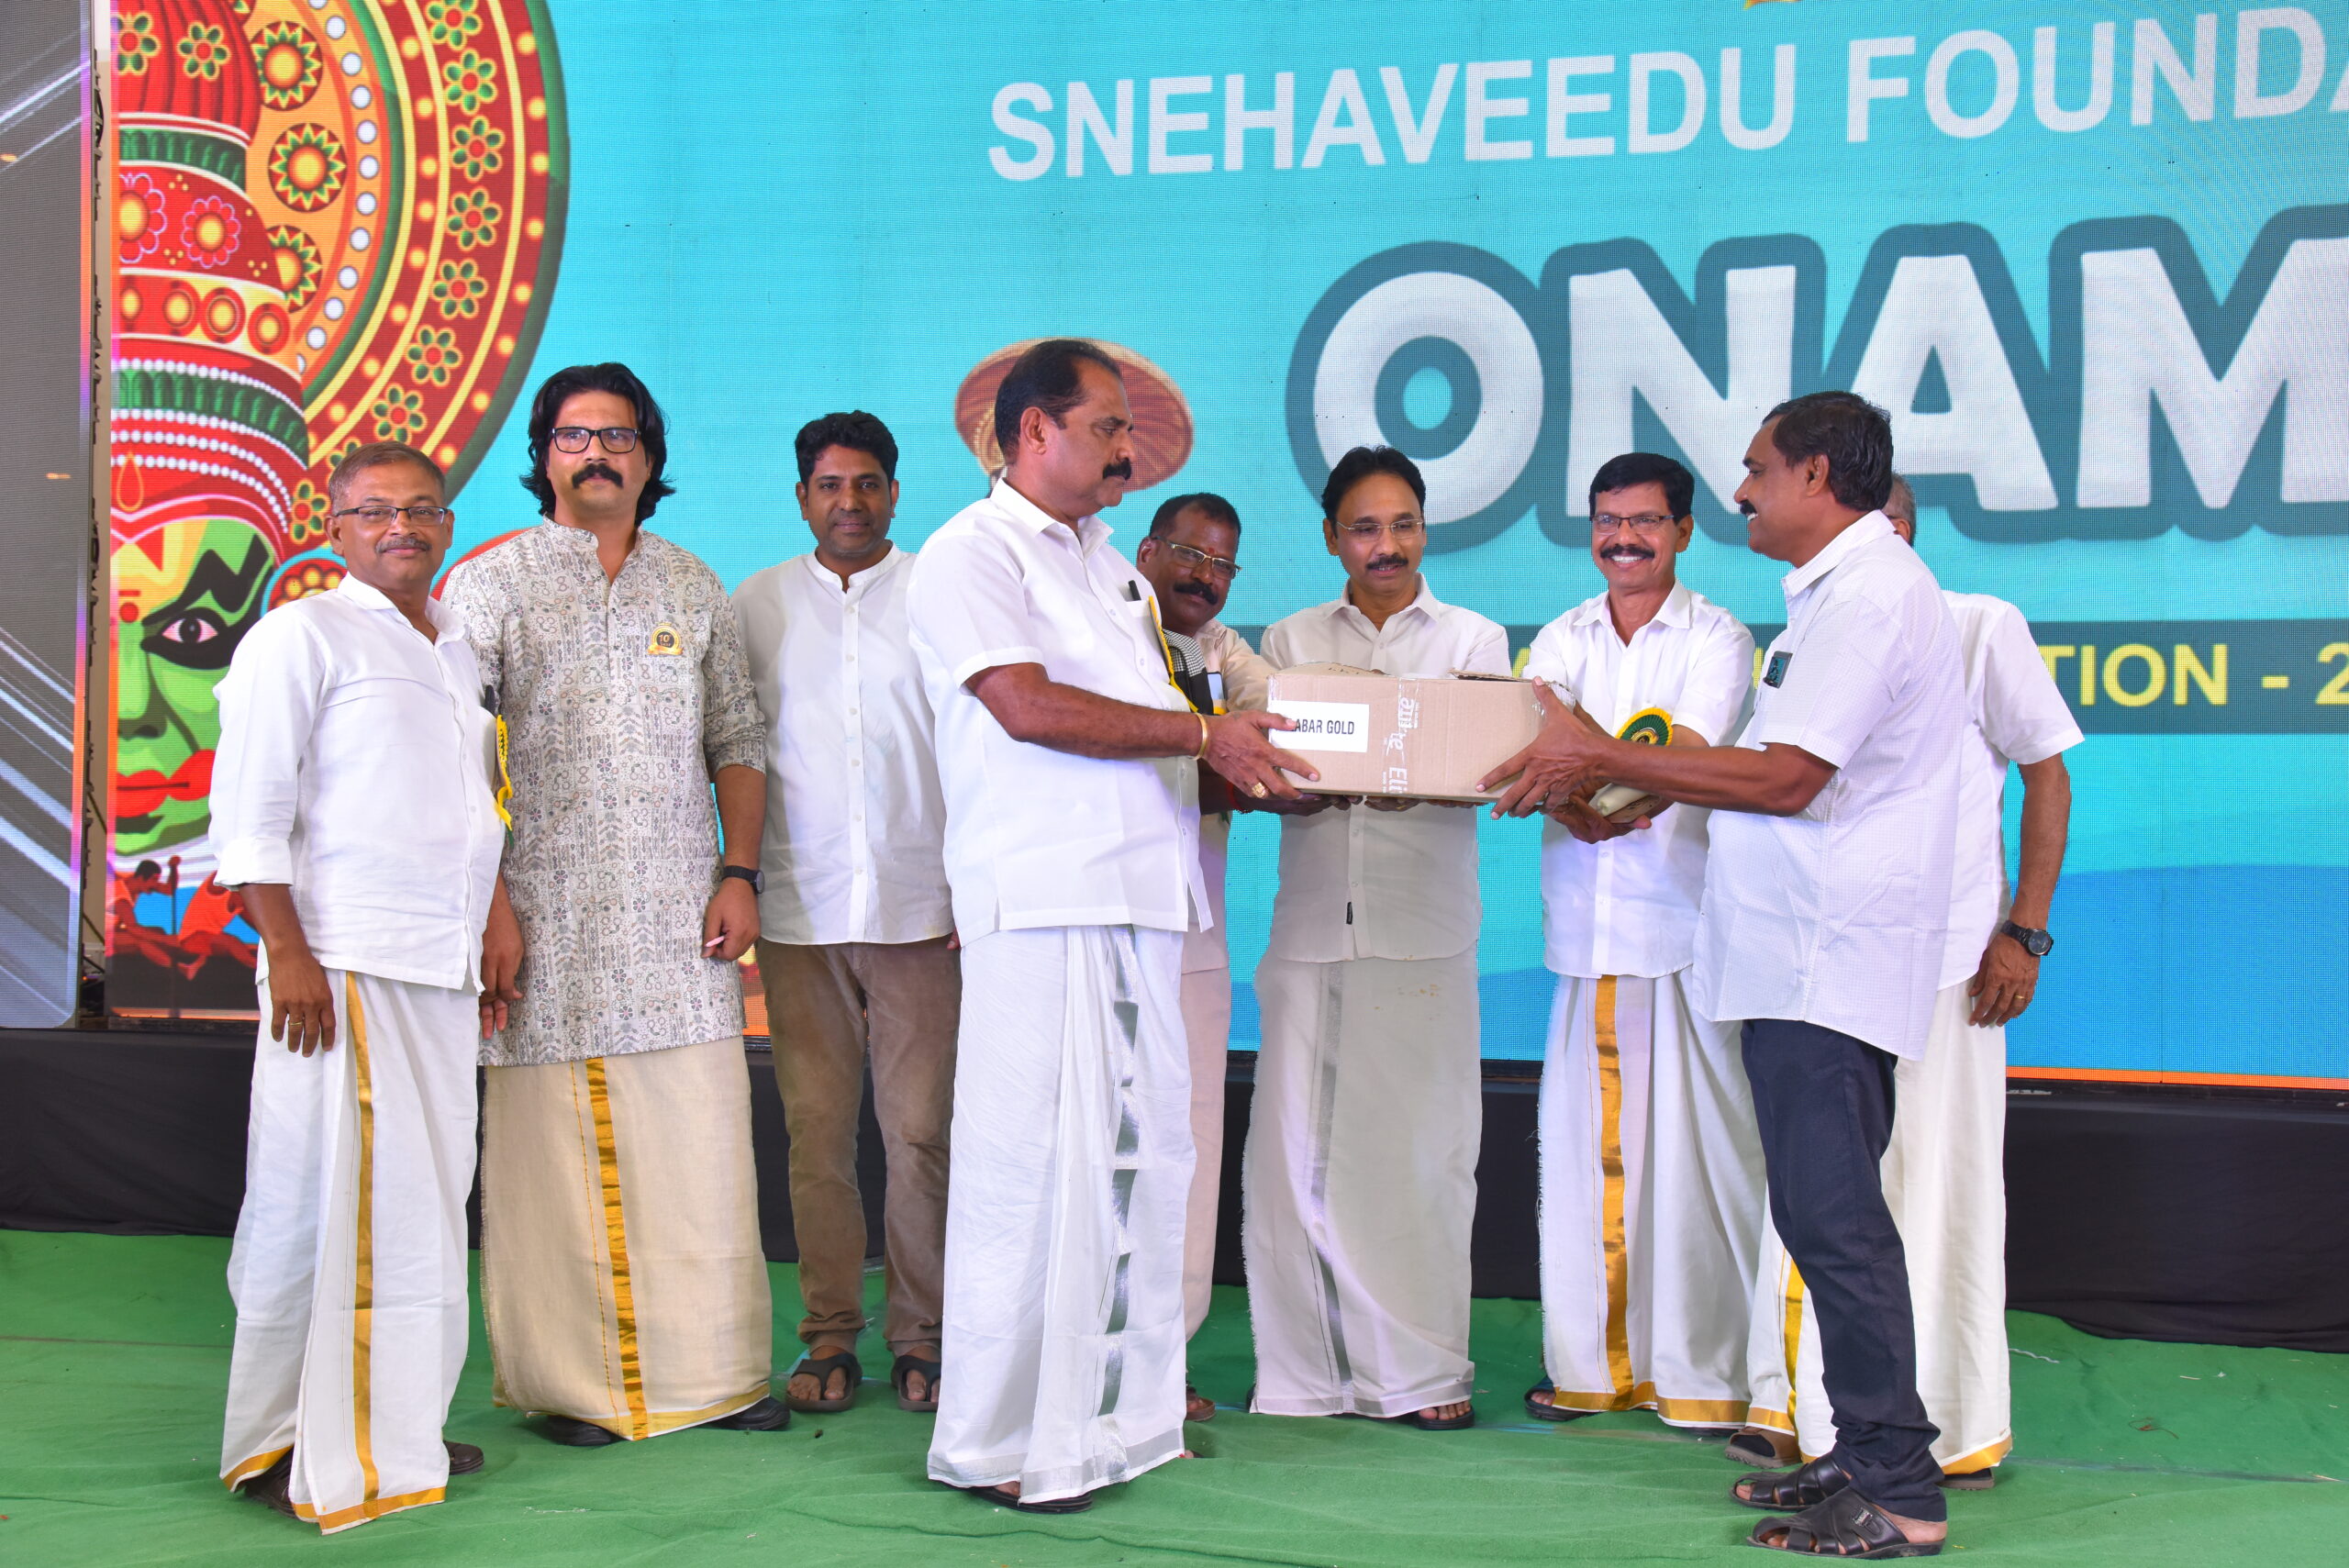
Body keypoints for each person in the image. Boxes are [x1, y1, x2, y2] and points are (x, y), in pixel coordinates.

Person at [1481, 393, 1965, 1557]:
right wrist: (1612, 771)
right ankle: (1864, 1445)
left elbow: (1789, 778)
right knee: (1816, 1213)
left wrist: (1600, 755)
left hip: (1826, 958)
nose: (1742, 490)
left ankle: (1900, 1486)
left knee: (1836, 1223)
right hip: (1795, 956)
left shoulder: (1870, 595)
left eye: (1755, 469)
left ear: (1816, 474)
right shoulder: (1835, 595)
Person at [907, 339, 1309, 1512]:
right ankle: (997, 1437)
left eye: (1126, 429)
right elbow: (1024, 705)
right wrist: (1203, 736)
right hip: (1041, 900)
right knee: (1026, 1170)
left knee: (1137, 1165)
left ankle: (1113, 1421)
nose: (1127, 449)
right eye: (1105, 427)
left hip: (1141, 901)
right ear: (1033, 430)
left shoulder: (1114, 574)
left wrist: (1252, 767)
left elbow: (1149, 728)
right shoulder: (968, 551)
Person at [443, 363, 786, 1447]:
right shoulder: (488, 584)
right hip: (544, 915)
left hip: (681, 917)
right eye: (574, 435)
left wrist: (740, 870)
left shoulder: (690, 582)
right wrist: (490, 903)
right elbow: (449, 756)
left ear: (651, 454)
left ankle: (718, 1374)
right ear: (544, 454)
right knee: (552, 1153)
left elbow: (737, 737)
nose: (597, 453)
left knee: (699, 1143)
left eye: (618, 435)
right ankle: (574, 1384)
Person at [1732, 475, 2079, 1487]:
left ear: (1901, 533)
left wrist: (2024, 932)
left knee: (1926, 1190)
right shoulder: (1807, 632)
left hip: (1950, 966)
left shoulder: (1975, 624)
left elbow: (2047, 770)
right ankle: (1816, 1420)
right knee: (1825, 1198)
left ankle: (1938, 1430)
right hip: (1829, 961)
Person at [211, 442, 508, 1529]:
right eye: (376, 510)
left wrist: (487, 927)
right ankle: (312, 1440)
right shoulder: (302, 634)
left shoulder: (456, 646)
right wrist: (288, 950)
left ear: (446, 523)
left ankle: (384, 1422)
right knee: (331, 1206)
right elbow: (251, 809)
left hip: (437, 963)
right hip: (344, 962)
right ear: (333, 527)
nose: (402, 527)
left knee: (420, 1205)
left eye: (422, 509)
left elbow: (471, 806)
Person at [1244, 444, 1509, 1431]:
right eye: (1364, 528)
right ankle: (1310, 1377)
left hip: (1424, 928)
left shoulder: (1474, 639)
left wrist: (1420, 775)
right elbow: (1267, 770)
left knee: (1424, 1160)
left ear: (1424, 530)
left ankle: (1424, 1374)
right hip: (1312, 926)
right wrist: (1308, 784)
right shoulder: (1290, 640)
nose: (1386, 546)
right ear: (1331, 538)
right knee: (1296, 1164)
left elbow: (1491, 768)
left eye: (1402, 525)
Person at [1519, 452, 1765, 1433]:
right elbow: (1532, 749)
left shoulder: (1719, 637)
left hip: (1684, 931)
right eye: (1608, 521)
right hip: (1586, 930)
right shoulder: (1560, 636)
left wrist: (1585, 770)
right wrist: (1577, 795)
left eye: (1646, 522)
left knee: (1700, 1164)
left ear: (1684, 531)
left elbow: (1688, 761)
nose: (1624, 539)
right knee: (1583, 1162)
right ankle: (1592, 1366)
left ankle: (1705, 1373)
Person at [733, 411, 956, 1417]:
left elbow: (979, 742)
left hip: (923, 907)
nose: (850, 502)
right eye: (830, 485)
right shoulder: (756, 604)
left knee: (918, 1132)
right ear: (802, 497)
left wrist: (974, 880)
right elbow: (731, 749)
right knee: (816, 1134)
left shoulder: (940, 593)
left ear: (895, 492)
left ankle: (924, 1337)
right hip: (798, 908)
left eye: (868, 483)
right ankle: (828, 1332)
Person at [1132, 491, 1276, 1424]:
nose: (1202, 576)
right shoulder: (1106, 627)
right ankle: (1091, 1353)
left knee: (1187, 1149)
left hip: (1196, 940)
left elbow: (1287, 725)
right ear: (1147, 550)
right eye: (1188, 553)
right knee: (1109, 1148)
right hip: (1100, 931)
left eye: (1222, 564)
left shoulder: (1225, 653)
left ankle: (1164, 1358)